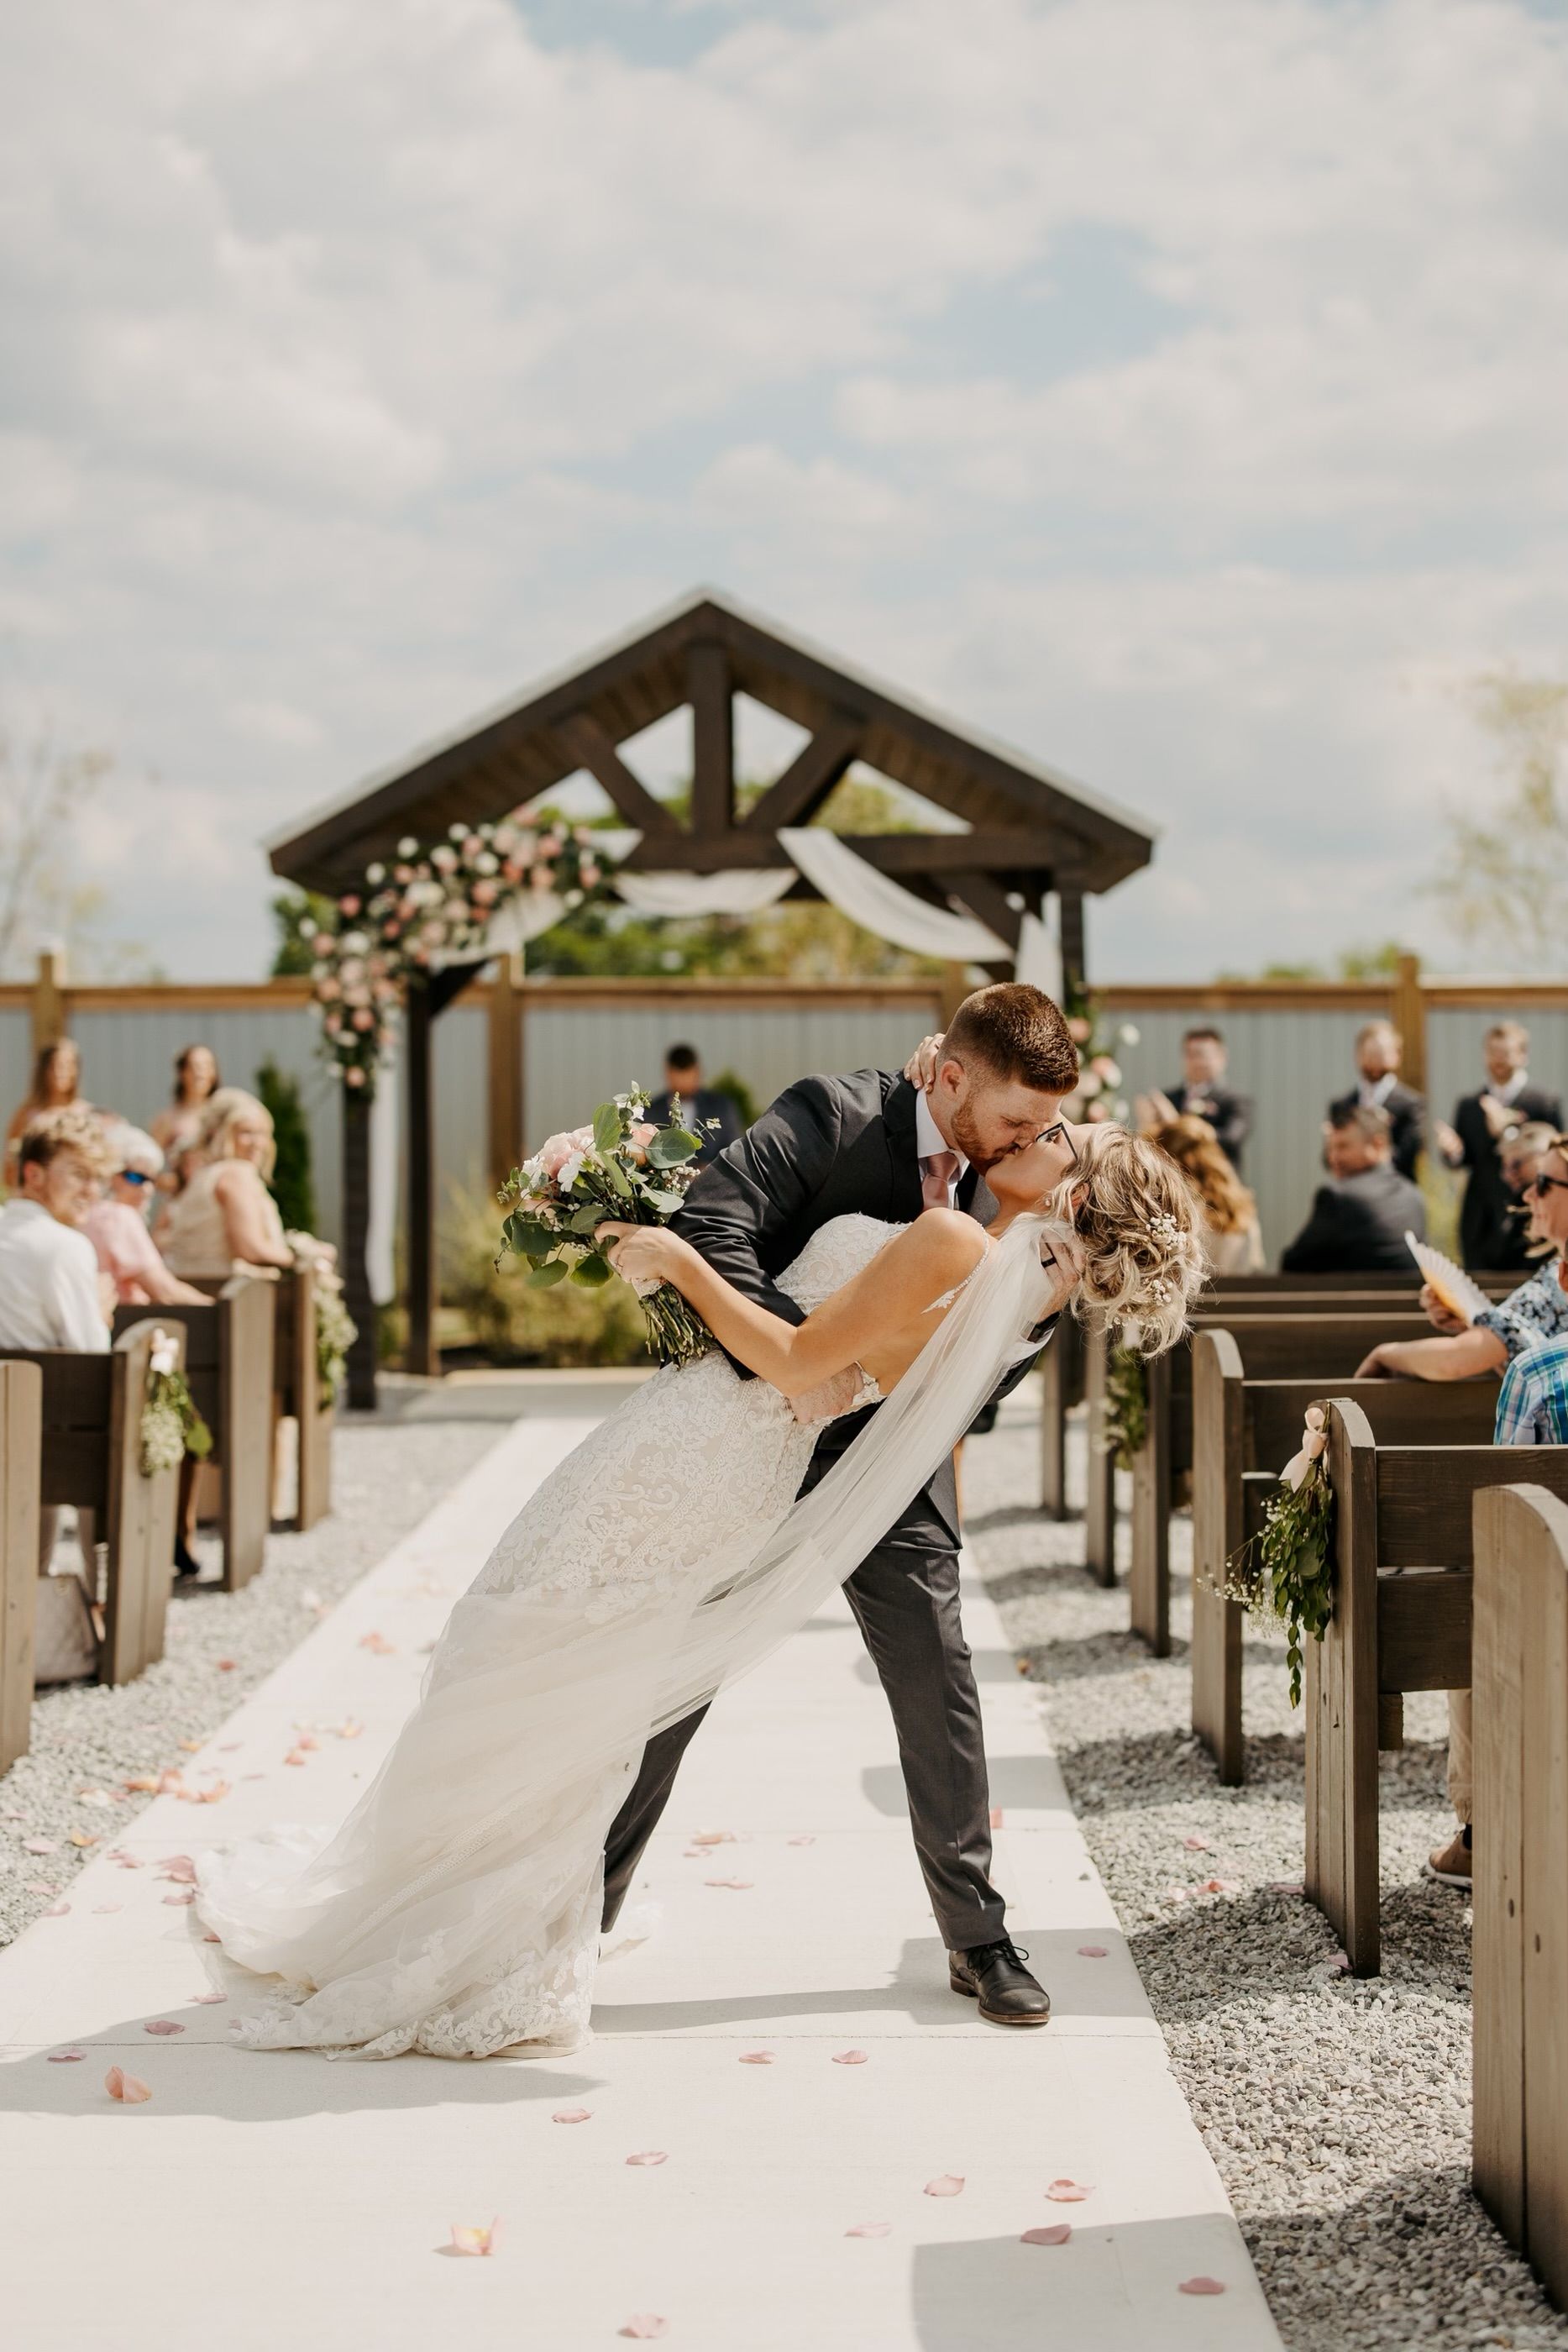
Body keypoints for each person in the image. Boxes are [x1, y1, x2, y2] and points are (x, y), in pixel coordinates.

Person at [194, 986, 1208, 2058]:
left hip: (881, 1458)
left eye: (1052, 1131)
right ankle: (585, 1905)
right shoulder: (840, 1114)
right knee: (666, 1679)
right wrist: (791, 1370)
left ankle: (978, 1935)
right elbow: (717, 1223)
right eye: (1021, 1120)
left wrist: (836, 1378)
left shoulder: (1037, 1253)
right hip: (745, 1430)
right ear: (950, 1076)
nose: (1033, 1136)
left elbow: (968, 1381)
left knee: (936, 1673)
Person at [1355, 1131, 1568, 1383]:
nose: (1528, 1195)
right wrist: (1475, 1327)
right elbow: (1530, 1364)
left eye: (1543, 1183)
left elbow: (1454, 1361)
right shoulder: (1556, 1274)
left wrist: (1385, 1354)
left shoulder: (1555, 1284)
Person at [1433, 1023, 1562, 1270]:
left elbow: (1554, 1153)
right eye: (1492, 1052)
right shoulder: (1469, 1105)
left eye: (1505, 1053)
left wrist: (1506, 1132)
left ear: (1523, 1055)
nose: (1498, 1060)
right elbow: (1465, 1159)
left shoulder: (1543, 1102)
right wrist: (1453, 1152)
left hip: (1528, 1208)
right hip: (1480, 1213)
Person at [0, 1108, 111, 1353]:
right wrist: (100, 1312)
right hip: (37, 1389)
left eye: (99, 1178)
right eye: (79, 1174)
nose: (92, 1190)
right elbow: (91, 1353)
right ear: (34, 1175)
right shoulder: (67, 1246)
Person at [158, 1089, 294, 1278]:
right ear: (223, 1133)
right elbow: (249, 1248)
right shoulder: (235, 1174)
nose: (257, 1143)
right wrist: (295, 1258)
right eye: (247, 1132)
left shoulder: (205, 1175)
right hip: (226, 1293)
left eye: (263, 1133)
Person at [1280, 1102, 1425, 1274]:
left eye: (1343, 1146)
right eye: (1330, 1148)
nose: (1334, 1157)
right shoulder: (1414, 1196)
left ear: (1377, 1144)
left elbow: (1293, 1264)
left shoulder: (1339, 1197)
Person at [81, 1123, 210, 1309]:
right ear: (109, 1174)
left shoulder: (85, 1214)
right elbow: (165, 1291)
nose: (147, 1189)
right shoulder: (118, 1216)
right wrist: (215, 1307)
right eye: (136, 1178)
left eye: (152, 1180)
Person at [1146, 1115, 1265, 1271]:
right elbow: (1255, 1264)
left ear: (1166, 1155)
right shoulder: (1241, 1202)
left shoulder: (1171, 1204)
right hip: (1242, 1290)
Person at [1146, 1027, 1252, 1173]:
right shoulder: (1168, 1098)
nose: (1196, 1061)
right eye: (1190, 1055)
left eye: (1202, 1055)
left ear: (1221, 1057)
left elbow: (1231, 1138)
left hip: (1217, 1184)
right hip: (1176, 1182)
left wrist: (1175, 1122)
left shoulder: (1236, 1100)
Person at [1329, 1021, 1424, 1181]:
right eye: (1370, 1052)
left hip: (1393, 1193)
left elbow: (1409, 1156)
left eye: (1381, 1052)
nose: (1375, 1059)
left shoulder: (1412, 1104)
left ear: (1397, 1055)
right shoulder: (1342, 1106)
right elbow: (1329, 1160)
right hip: (1350, 1193)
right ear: (1358, 1055)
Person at [3, 1038, 90, 1186]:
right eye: (54, 1066)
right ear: (43, 1071)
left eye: (67, 1066)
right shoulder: (27, 1114)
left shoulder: (85, 1114)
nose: (59, 1072)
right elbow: (10, 1161)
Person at [647, 1044, 743, 1167]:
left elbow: (734, 1151)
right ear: (668, 1073)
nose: (684, 1083)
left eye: (688, 1076)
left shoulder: (721, 1107)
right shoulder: (651, 1110)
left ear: (698, 1072)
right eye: (679, 1077)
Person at [149, 1043, 223, 1187]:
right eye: (193, 1066)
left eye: (206, 1066)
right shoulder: (168, 1119)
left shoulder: (224, 1115)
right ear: (182, 1073)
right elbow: (149, 1167)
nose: (199, 1073)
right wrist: (175, 1183)